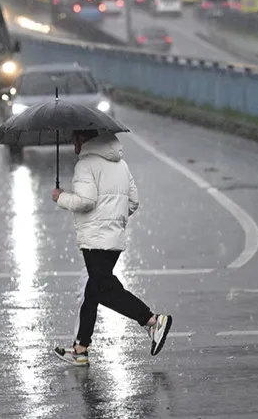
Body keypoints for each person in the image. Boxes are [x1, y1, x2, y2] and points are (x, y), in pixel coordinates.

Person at [51, 129, 172, 366]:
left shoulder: (86, 165)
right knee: (94, 291)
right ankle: (80, 349)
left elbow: (85, 201)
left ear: (81, 139)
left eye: (72, 138)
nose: (70, 143)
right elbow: (133, 201)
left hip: (95, 240)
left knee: (103, 290)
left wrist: (61, 197)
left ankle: (152, 320)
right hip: (113, 239)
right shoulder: (121, 164)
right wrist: (113, 217)